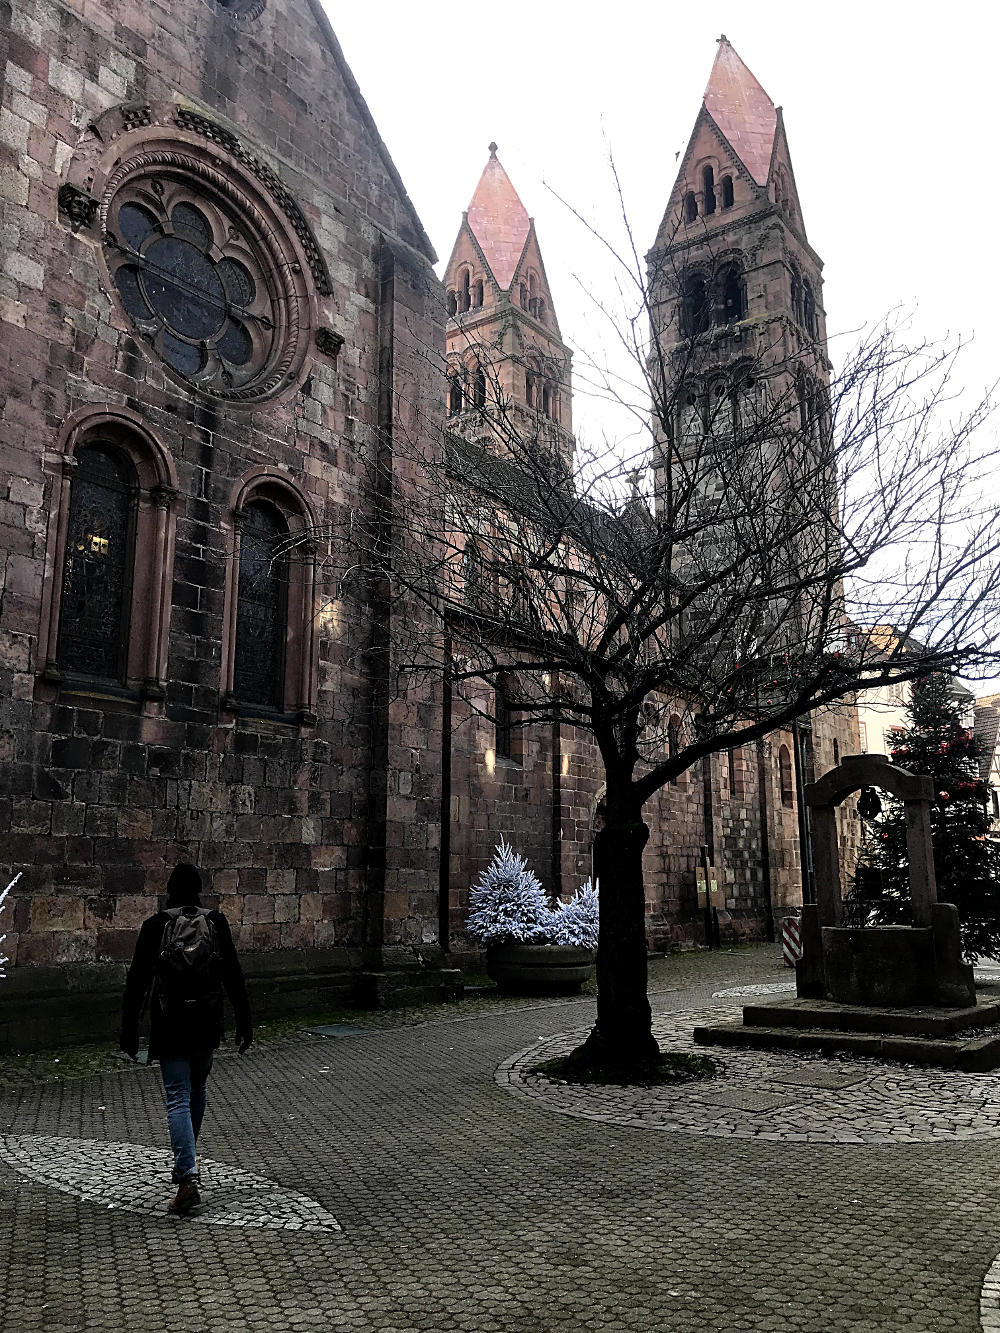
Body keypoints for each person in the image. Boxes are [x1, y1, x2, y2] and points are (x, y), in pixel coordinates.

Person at [119, 862, 252, 1216]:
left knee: (177, 1095)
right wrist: (244, 1021)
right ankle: (185, 1164)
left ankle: (187, 1175)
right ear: (198, 890)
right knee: (197, 1089)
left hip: (171, 1023)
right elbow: (233, 974)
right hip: (207, 1021)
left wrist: (128, 1031)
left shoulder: (155, 925)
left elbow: (137, 981)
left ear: (170, 890)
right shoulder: (216, 922)